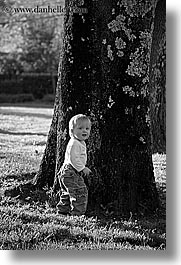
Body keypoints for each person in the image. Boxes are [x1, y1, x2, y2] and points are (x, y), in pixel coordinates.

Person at [57, 114, 92, 216]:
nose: (84, 131)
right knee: (80, 192)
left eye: (87, 128)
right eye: (80, 128)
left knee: (67, 192)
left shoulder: (79, 142)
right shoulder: (75, 143)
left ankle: (63, 211)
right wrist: (82, 168)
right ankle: (77, 214)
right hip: (71, 171)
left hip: (66, 172)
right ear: (72, 131)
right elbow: (73, 158)